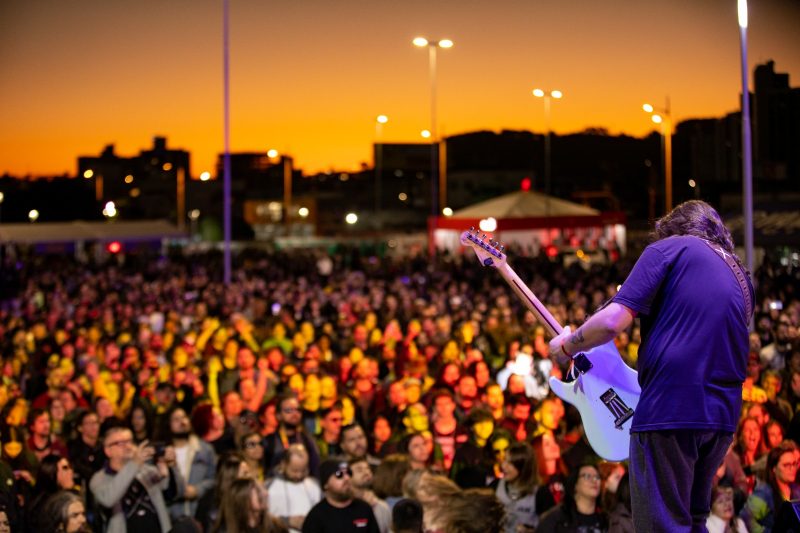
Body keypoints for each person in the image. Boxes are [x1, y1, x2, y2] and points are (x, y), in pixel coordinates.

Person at [548, 200, 753, 531]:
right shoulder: (741, 274)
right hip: (722, 418)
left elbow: (614, 321)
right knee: (694, 518)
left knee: (662, 524)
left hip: (671, 408)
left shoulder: (668, 249)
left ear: (672, 228)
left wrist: (568, 345)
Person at [90, 425, 182, 533]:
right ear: (108, 451)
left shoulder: (147, 470)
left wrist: (171, 466)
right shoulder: (99, 479)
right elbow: (109, 499)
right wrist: (135, 463)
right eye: (120, 443)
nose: (128, 446)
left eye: (130, 441)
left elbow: (174, 493)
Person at [159, 405, 217, 520]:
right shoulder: (162, 453)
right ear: (168, 424)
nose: (182, 422)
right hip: (170, 516)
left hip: (199, 514)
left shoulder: (204, 450)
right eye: (176, 419)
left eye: (184, 417)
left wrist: (198, 490)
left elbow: (215, 479)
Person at [301, 459, 380, 533]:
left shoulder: (364, 509)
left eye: (348, 473)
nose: (346, 478)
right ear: (325, 484)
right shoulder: (316, 517)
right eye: (339, 474)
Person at [741, 441, 800, 533]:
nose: (792, 468)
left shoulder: (796, 489)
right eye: (787, 465)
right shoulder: (765, 492)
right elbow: (745, 517)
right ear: (774, 468)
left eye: (794, 464)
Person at [266, 443, 322, 533]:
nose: (299, 475)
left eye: (303, 470)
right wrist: (287, 521)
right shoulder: (269, 486)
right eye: (295, 470)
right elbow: (262, 518)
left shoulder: (314, 485)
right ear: (283, 464)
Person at [536, 463, 607, 532]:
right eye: (587, 476)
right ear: (575, 484)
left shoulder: (606, 521)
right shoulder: (555, 521)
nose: (594, 480)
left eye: (597, 477)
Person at [215, 477, 287, 533]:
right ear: (242, 498)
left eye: (263, 489)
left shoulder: (276, 528)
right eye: (258, 491)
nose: (266, 493)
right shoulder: (225, 530)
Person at [494, 442, 538, 533]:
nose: (503, 466)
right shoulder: (496, 485)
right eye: (504, 460)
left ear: (523, 468)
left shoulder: (540, 493)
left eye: (510, 463)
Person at [349, 456, 391, 533]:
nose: (366, 472)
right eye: (359, 470)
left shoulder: (382, 506)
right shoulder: (343, 505)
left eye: (368, 468)